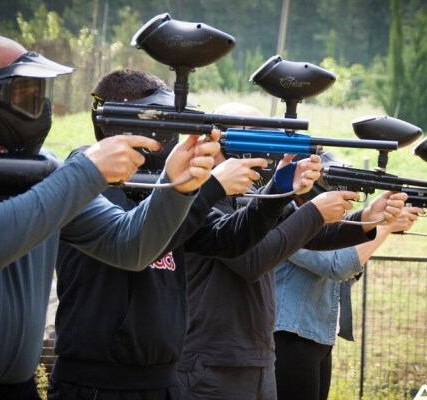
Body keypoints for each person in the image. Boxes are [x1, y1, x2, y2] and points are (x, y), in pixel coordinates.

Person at [0, 33, 221, 399]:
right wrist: (88, 171)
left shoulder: (41, 170)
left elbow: (131, 246)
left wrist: (179, 185)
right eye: (24, 92)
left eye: (41, 93)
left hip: (17, 390)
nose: (39, 106)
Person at [47, 70, 322, 400]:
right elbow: (132, 240)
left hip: (164, 379)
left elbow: (229, 240)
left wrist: (278, 189)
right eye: (164, 122)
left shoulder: (163, 189)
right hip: (96, 382)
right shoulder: (84, 181)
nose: (173, 136)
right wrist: (210, 187)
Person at [176, 103, 408, 400]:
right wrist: (313, 210)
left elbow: (310, 235)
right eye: (256, 138)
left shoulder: (242, 198)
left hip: (255, 356)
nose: (265, 152)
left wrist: (365, 219)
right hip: (210, 359)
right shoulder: (197, 199)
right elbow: (251, 259)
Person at [273, 202, 423, 400]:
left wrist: (377, 225)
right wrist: (385, 226)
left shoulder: (312, 219)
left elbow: (343, 275)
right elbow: (337, 265)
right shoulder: (286, 217)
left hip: (317, 335)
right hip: (289, 337)